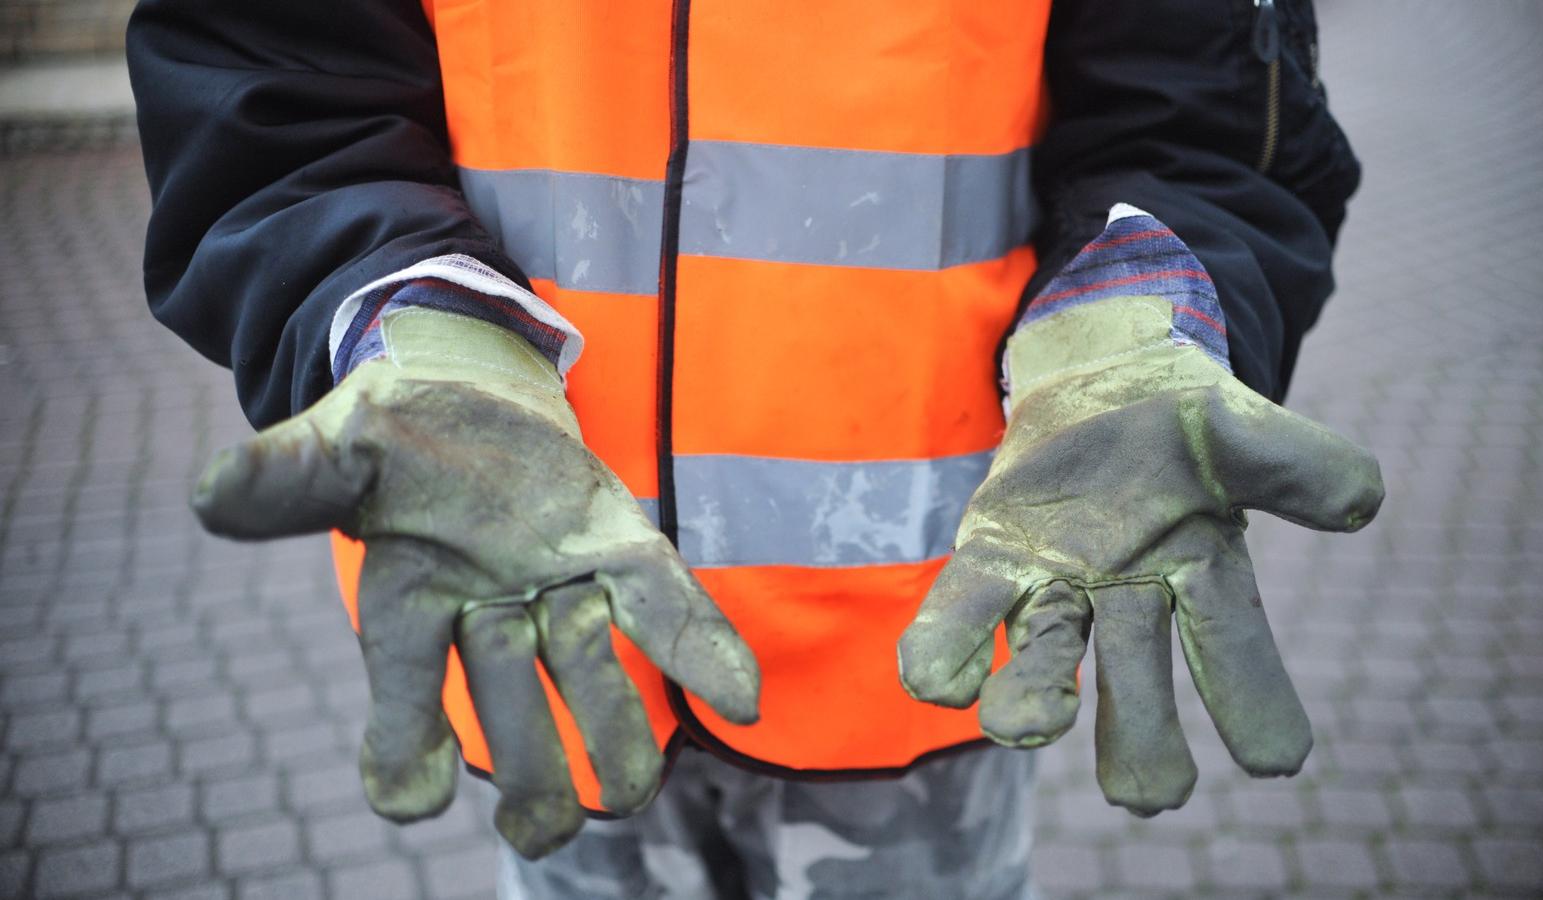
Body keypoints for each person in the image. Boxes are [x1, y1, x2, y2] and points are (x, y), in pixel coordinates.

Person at [127, 0, 1382, 896]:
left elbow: (1207, 117)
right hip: (544, 628)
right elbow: (276, 86)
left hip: (922, 649)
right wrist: (387, 300)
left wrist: (1141, 295)